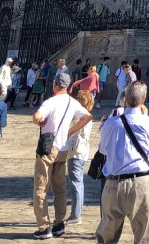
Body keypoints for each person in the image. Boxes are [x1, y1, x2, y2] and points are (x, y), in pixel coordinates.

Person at [96, 80, 149, 244]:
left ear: (125, 99)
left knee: (107, 236)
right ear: (144, 99)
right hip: (141, 182)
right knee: (142, 236)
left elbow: (103, 150)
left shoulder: (110, 124)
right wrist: (145, 117)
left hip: (114, 183)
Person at [32, 70, 93, 240]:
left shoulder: (51, 102)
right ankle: (59, 224)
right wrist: (70, 132)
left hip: (47, 148)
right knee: (60, 189)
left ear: (54, 85)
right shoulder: (72, 103)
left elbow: (36, 116)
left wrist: (39, 121)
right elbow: (88, 117)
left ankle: (44, 227)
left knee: (41, 188)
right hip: (63, 150)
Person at [66, 88, 94, 223]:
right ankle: (77, 211)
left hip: (75, 151)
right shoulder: (86, 115)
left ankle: (76, 214)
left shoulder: (79, 116)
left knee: (75, 183)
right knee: (79, 182)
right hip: (83, 151)